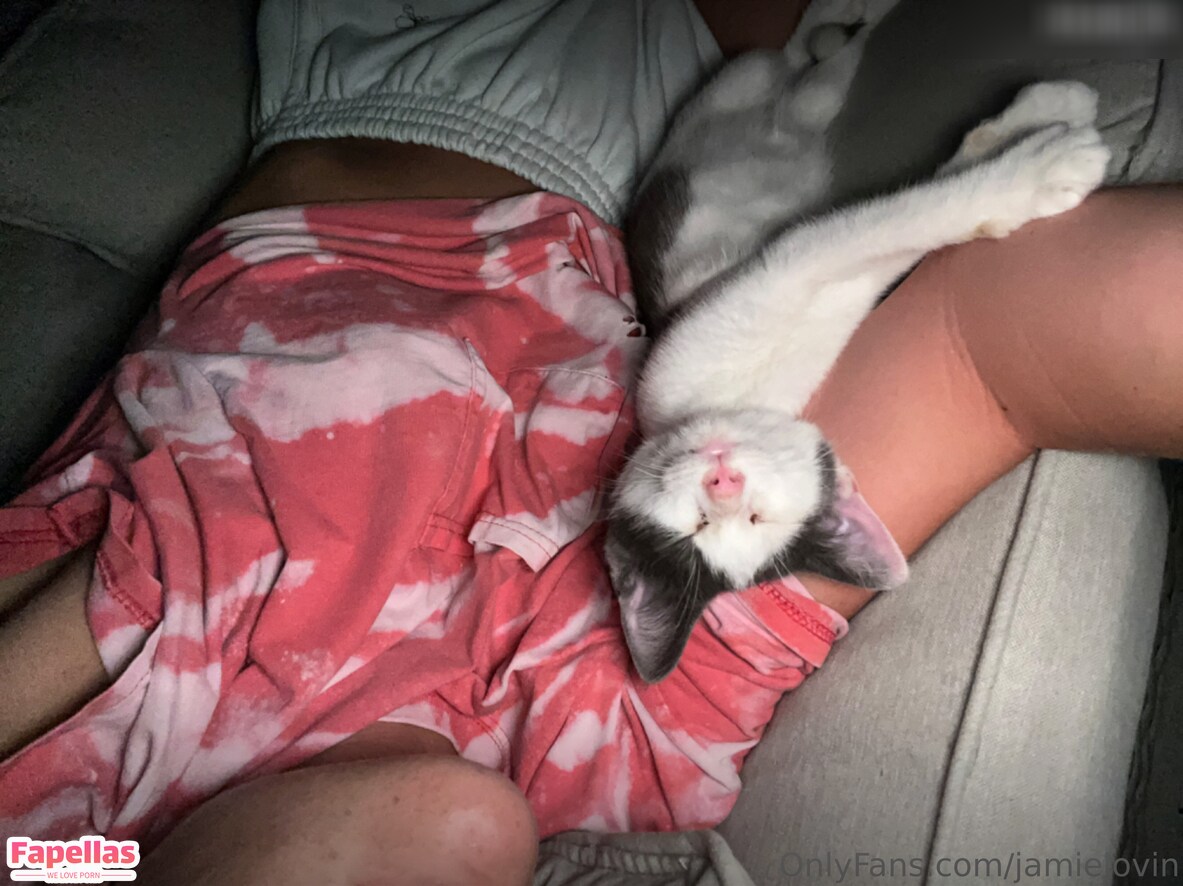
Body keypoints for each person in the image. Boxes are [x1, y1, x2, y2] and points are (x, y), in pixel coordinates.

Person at [1, 1, 1180, 884]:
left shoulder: (65, 818)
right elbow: (988, 343)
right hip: (633, 153)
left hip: (371, 87)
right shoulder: (622, 756)